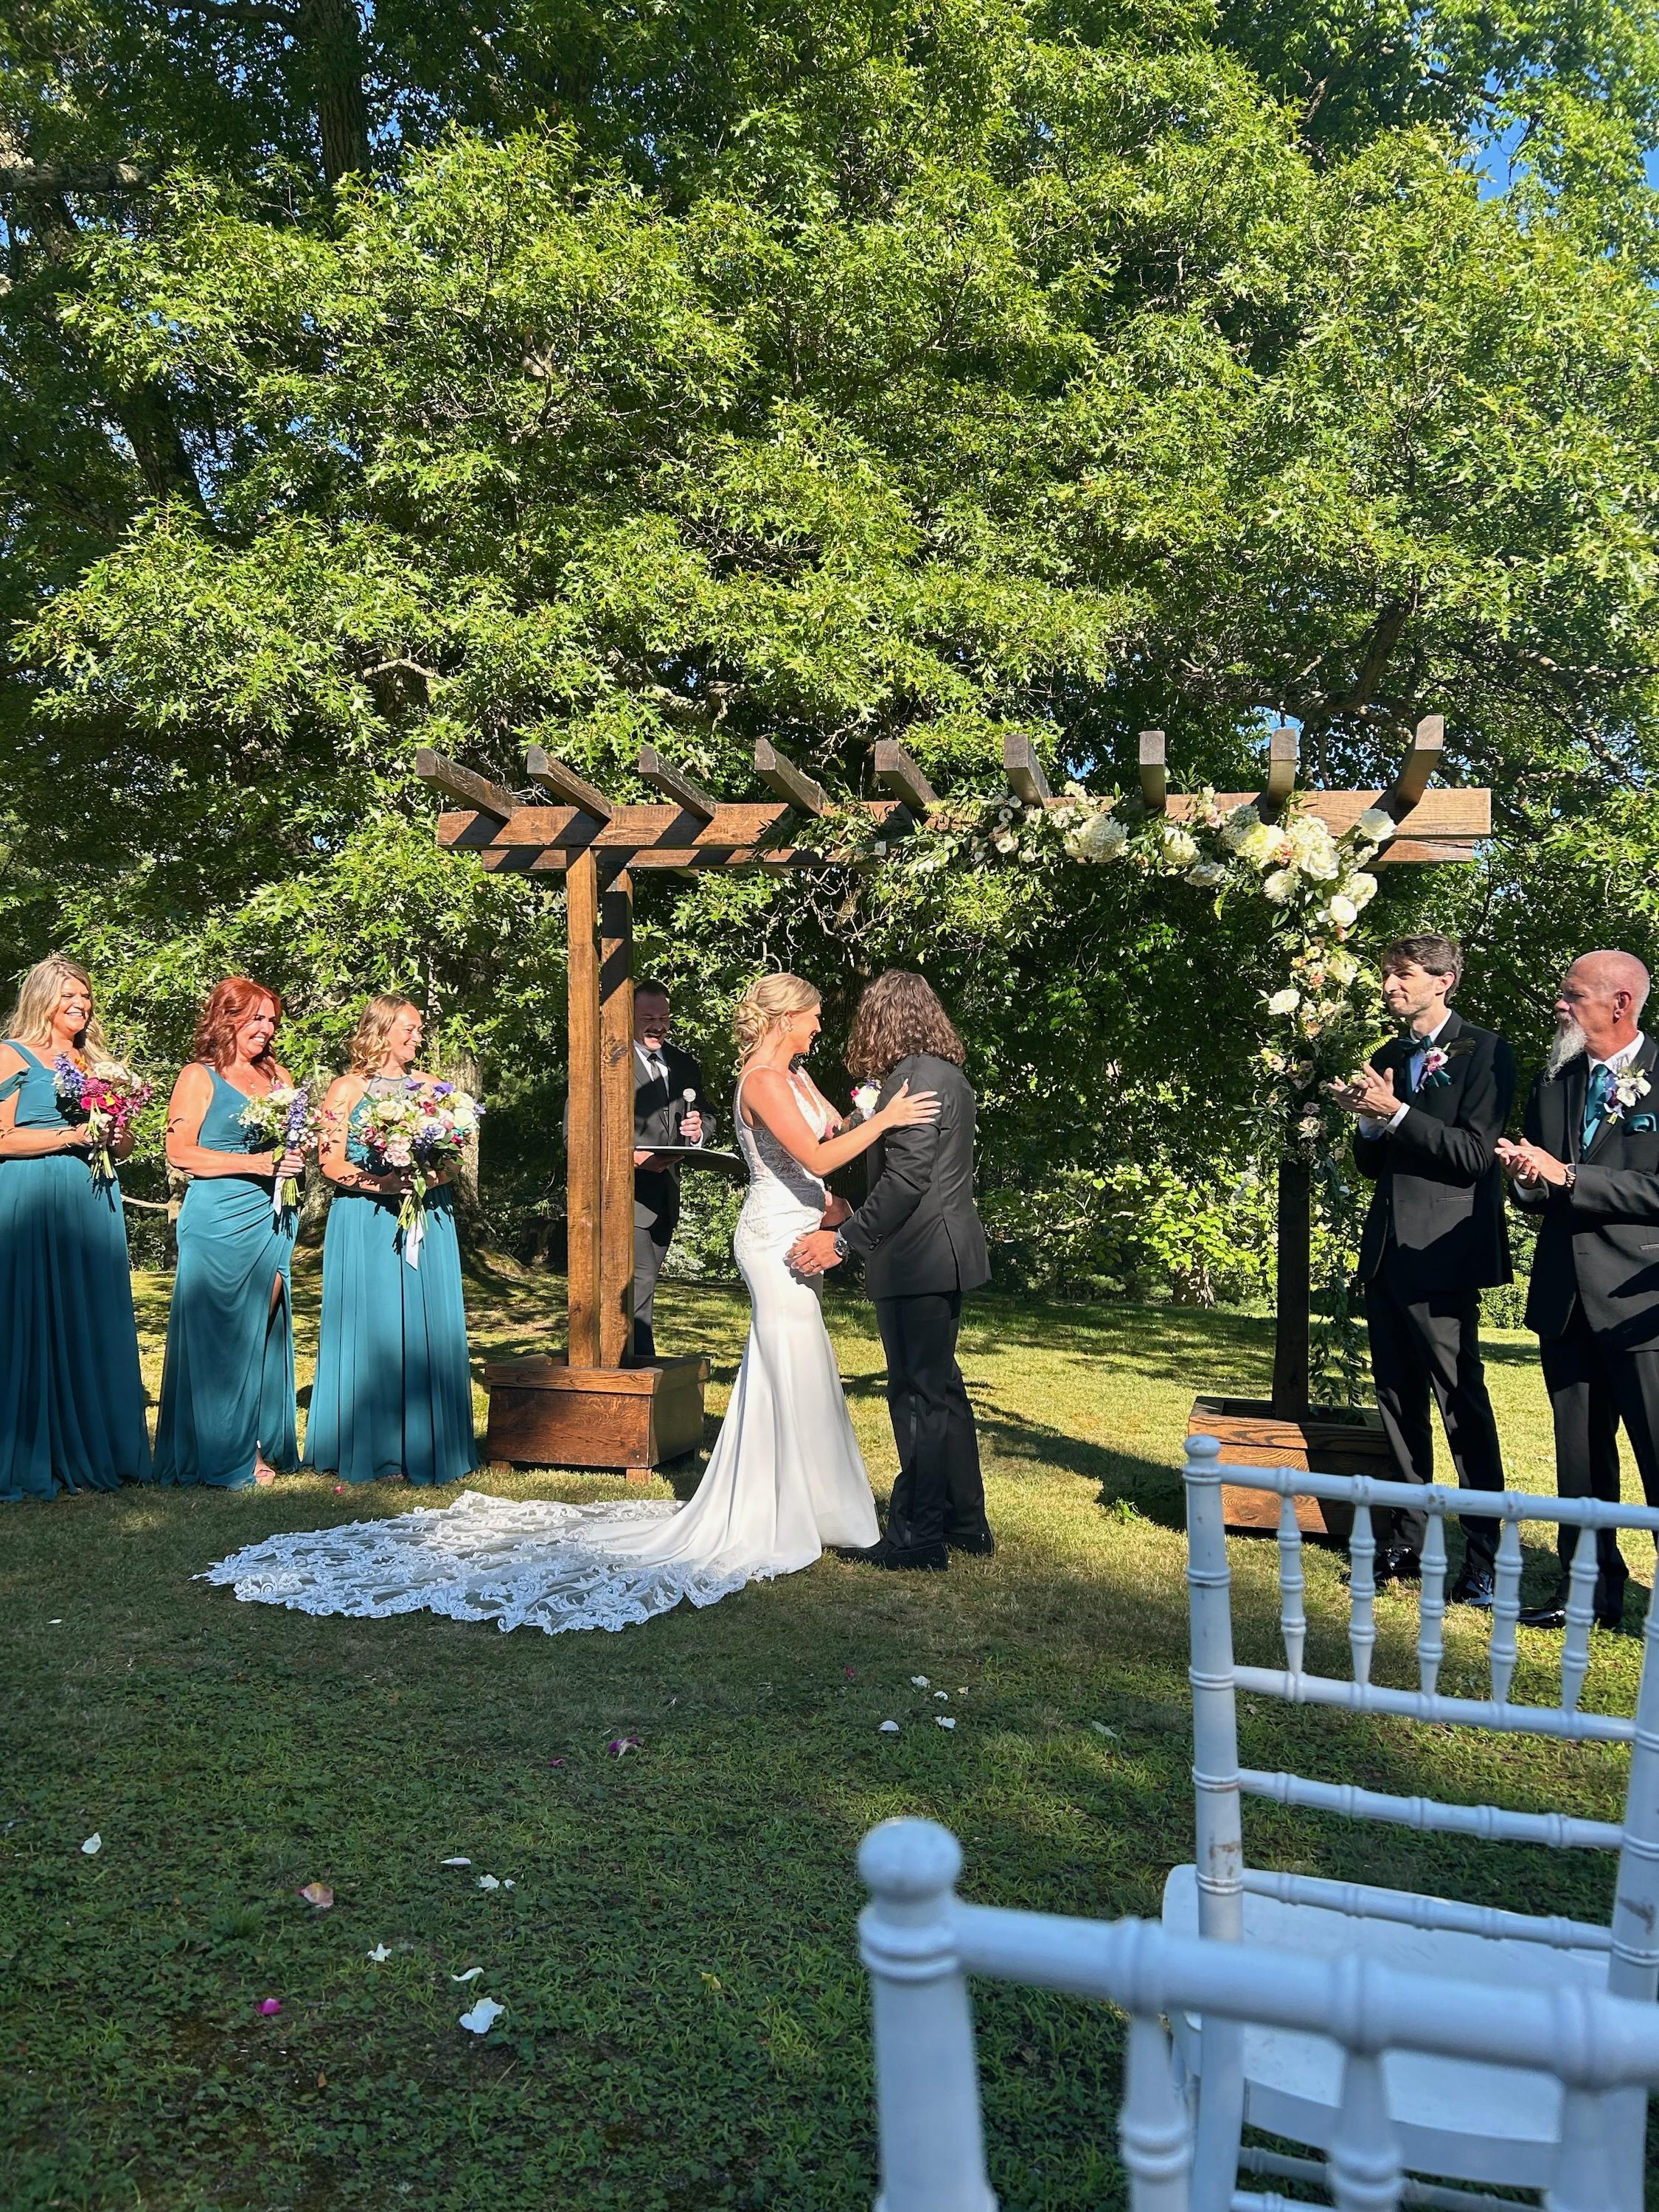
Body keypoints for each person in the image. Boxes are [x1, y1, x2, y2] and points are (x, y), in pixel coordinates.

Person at [202, 973, 939, 1634]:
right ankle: (781, 1507)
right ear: (786, 1017)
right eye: (814, 1015)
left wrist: (865, 1124)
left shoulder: (791, 1075)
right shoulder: (765, 1079)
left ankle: (810, 1503)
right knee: (788, 1363)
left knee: (795, 1366)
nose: (821, 1025)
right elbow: (817, 1154)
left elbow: (827, 1137)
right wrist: (886, 1121)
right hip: (773, 1237)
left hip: (800, 1227)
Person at [1328, 934, 1514, 1604]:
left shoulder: (1487, 1052)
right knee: (1397, 1398)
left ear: (1444, 980)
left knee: (1460, 1402)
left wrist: (1398, 1113)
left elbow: (1473, 1156)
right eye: (1387, 975)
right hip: (1388, 1252)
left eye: (1403, 975)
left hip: (1445, 1254)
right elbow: (1373, 1165)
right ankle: (1405, 1542)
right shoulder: (1387, 1056)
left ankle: (1484, 1556)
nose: (1389, 987)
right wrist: (1367, 1124)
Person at [790, 970, 992, 1573]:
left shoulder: (914, 1079)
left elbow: (907, 1179)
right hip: (941, 1253)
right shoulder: (945, 1074)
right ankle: (964, 1523)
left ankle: (919, 1537)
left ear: (884, 1020)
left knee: (918, 1398)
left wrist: (845, 1240)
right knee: (942, 1392)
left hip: (918, 1256)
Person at [1495, 950, 1659, 1631]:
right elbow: (1544, 1187)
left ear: (1620, 1004)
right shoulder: (1555, 1080)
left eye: (1572, 994)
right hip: (1565, 1299)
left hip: (1643, 1307)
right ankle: (1587, 1594)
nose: (1558, 1006)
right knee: (1580, 1460)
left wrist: (1568, 1177)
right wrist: (1527, 1181)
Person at [303, 995, 481, 1487]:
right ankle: (374, 1448)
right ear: (380, 1032)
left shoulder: (433, 1088)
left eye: (419, 1030)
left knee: (427, 1322)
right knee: (375, 1323)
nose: (418, 1038)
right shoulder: (345, 1089)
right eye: (410, 1029)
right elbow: (330, 1162)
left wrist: (428, 1177)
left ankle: (431, 1443)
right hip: (365, 1219)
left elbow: (454, 1158)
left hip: (427, 1213)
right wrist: (381, 1185)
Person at [0, 953, 150, 1500]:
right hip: (34, 1197)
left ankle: (100, 1446)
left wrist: (115, 1136)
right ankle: (32, 1452)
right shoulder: (11, 1054)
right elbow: (2, 1137)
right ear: (42, 999)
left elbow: (125, 1144)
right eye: (69, 995)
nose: (80, 1004)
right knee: (35, 1314)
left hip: (94, 1196)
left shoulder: (98, 1064)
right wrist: (71, 1137)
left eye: (85, 995)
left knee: (93, 1313)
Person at [153, 978, 306, 1489]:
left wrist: (298, 1151)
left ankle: (253, 1438)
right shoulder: (199, 1076)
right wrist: (258, 1163)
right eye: (256, 1018)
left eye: (272, 1020)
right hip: (217, 1218)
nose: (267, 1029)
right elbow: (180, 1153)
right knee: (218, 1334)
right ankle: (225, 1451)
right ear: (228, 1018)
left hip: (272, 1215)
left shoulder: (278, 1076)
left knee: (257, 1331)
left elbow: (292, 1139)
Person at [630, 981, 712, 1359]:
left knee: (644, 1287)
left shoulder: (683, 1063)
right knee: (638, 1283)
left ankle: (632, 1366)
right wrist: (630, 1159)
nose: (658, 1026)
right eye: (648, 1017)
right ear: (628, 1017)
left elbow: (707, 1116)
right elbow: (577, 1133)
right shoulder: (606, 1062)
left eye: (664, 1018)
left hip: (664, 1195)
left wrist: (698, 1130)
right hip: (621, 1196)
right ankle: (638, 1370)